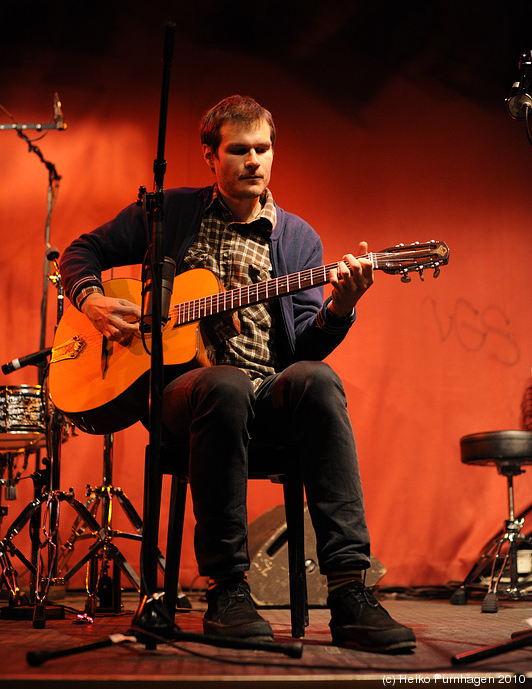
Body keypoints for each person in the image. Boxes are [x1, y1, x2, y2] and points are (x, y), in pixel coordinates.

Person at [59, 95, 416, 653]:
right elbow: (80, 251)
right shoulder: (169, 213)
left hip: (264, 386)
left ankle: (349, 590)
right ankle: (228, 588)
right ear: (210, 156)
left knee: (318, 383)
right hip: (181, 392)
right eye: (239, 149)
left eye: (263, 149)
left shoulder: (298, 239)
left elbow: (307, 347)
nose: (254, 160)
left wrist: (340, 307)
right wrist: (93, 301)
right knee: (222, 385)